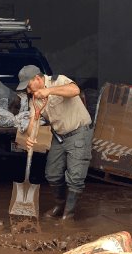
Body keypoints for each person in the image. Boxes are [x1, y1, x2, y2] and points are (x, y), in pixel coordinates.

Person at [17, 65, 93, 220]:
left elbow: (75, 90)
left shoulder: (59, 80)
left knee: (75, 177)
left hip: (79, 132)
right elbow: (33, 124)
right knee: (52, 173)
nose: (28, 91)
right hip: (59, 137)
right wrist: (31, 136)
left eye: (29, 86)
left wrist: (49, 91)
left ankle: (68, 214)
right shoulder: (34, 99)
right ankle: (60, 204)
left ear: (37, 78)